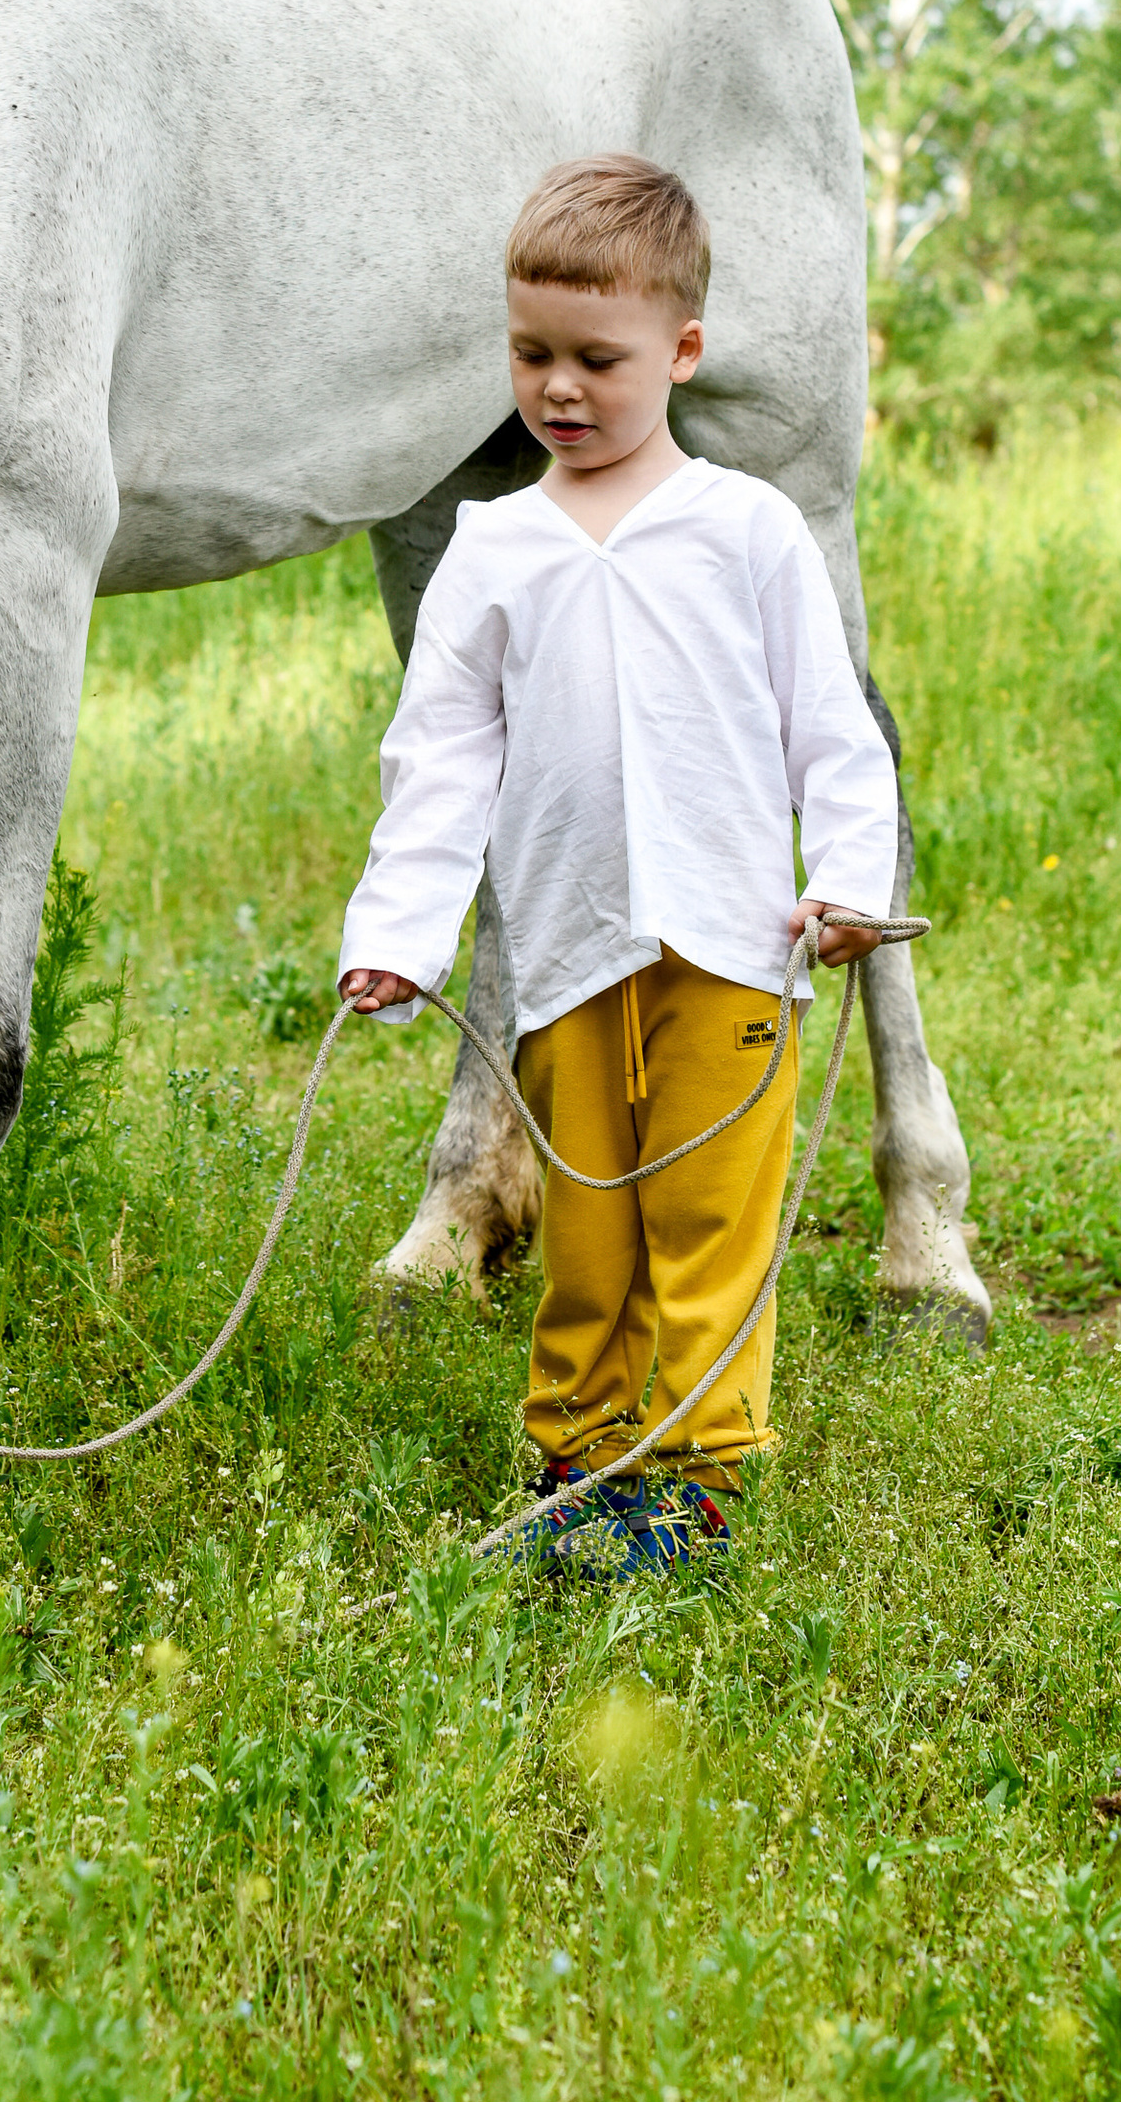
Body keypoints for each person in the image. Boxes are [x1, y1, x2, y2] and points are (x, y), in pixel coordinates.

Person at [338, 153, 901, 1577]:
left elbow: (832, 731)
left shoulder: (748, 531)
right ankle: (578, 1459)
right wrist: (398, 930)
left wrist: (847, 880)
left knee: (708, 1215)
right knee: (589, 1222)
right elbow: (440, 757)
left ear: (683, 351)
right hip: (571, 948)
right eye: (533, 354)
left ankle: (696, 1480)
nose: (562, 388)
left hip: (734, 945)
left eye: (600, 359)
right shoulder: (493, 549)